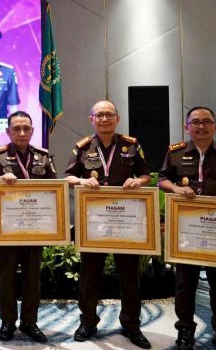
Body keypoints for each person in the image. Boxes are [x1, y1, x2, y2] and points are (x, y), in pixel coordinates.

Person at [64, 100, 152, 349]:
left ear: (117, 118)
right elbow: (68, 176)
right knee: (89, 274)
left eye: (109, 115)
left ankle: (131, 325)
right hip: (94, 222)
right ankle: (88, 322)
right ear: (91, 119)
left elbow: (146, 175)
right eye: (99, 115)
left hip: (125, 221)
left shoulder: (131, 145)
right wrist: (81, 181)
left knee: (129, 274)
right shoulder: (82, 147)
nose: (104, 119)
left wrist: (139, 182)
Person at [158, 106, 216, 350]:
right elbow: (162, 179)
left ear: (215, 126)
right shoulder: (175, 152)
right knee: (185, 284)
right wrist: (176, 188)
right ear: (187, 127)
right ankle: (185, 331)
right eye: (195, 122)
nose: (201, 126)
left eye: (207, 122)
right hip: (188, 229)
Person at [0, 111, 55, 343]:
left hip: (36, 228)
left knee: (33, 278)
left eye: (26, 128)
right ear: (8, 131)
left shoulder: (43, 156)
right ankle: (8, 322)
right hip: (8, 228)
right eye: (16, 128)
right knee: (7, 278)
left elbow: (55, 188)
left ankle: (30, 322)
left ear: (32, 131)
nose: (21, 132)